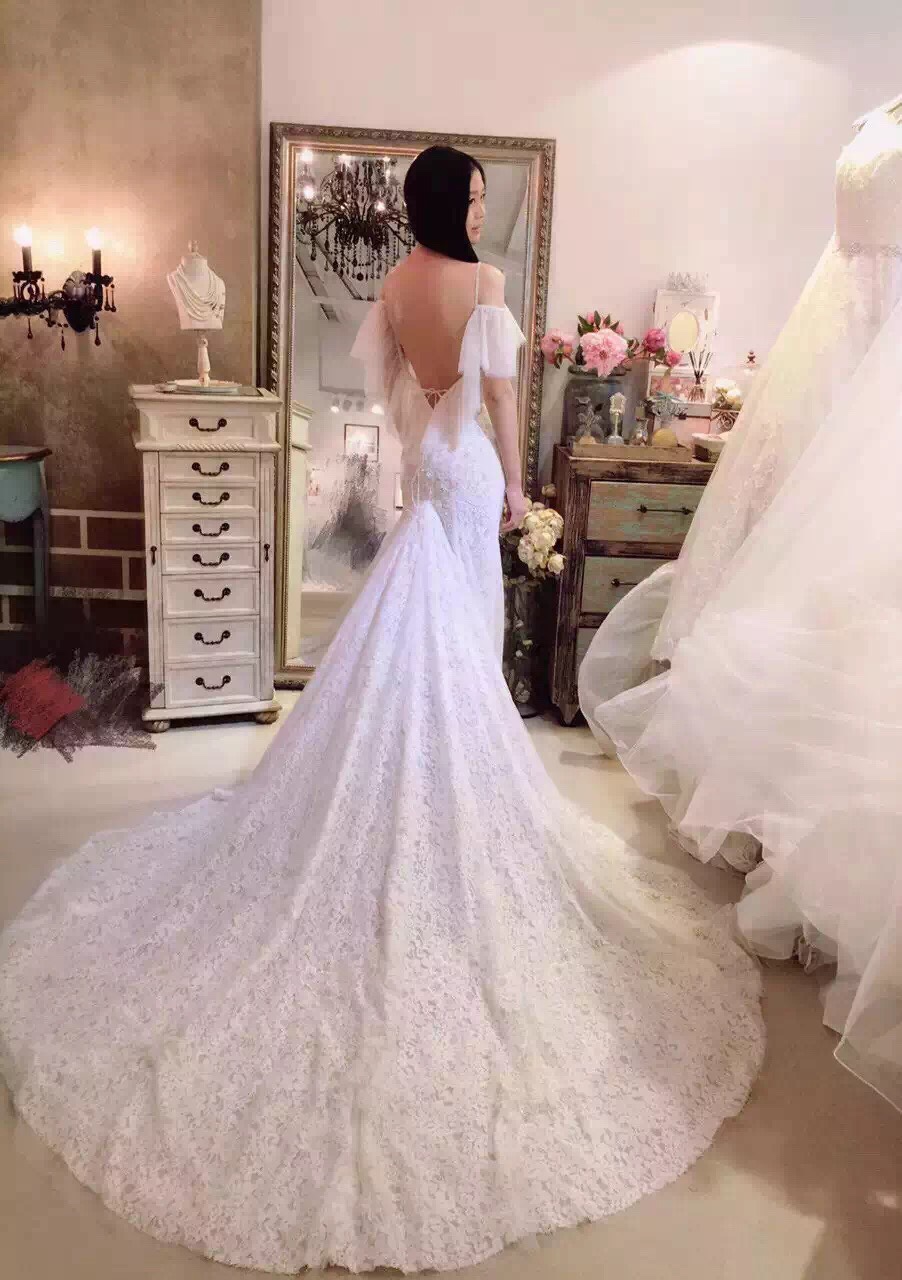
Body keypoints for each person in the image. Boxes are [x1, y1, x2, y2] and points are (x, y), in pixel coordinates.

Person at [0, 145, 763, 1274]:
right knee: (457, 639)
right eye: (474, 195)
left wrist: (427, 465)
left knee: (423, 634)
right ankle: (448, 793)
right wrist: (517, 487)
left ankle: (413, 778)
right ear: (451, 200)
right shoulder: (485, 284)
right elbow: (498, 399)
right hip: (469, 473)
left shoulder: (400, 284)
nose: (481, 208)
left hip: (425, 476)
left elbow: (398, 396)